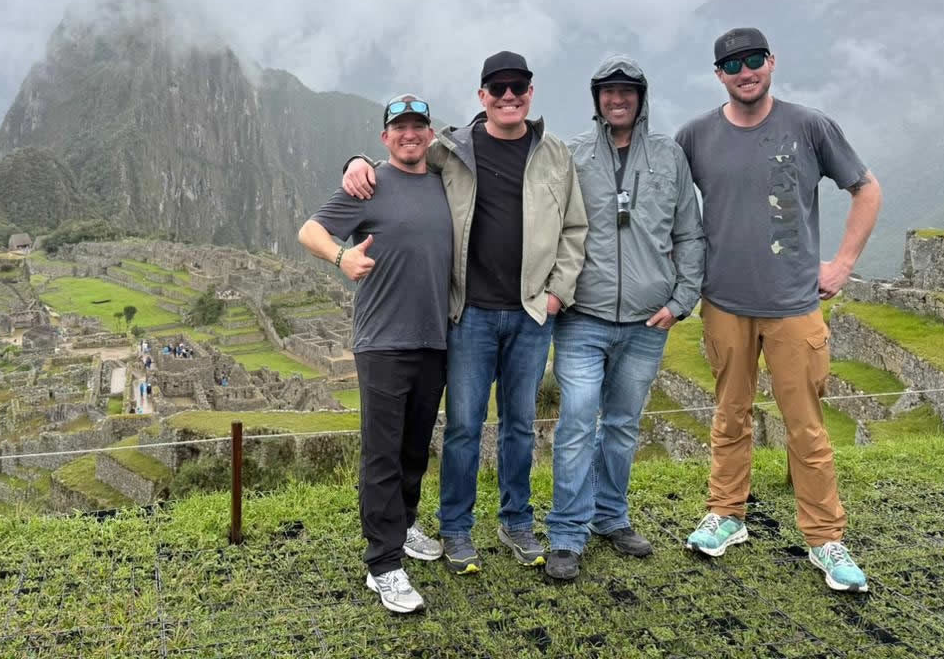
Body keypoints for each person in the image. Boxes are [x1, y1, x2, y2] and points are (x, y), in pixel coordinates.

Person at [344, 52, 587, 574]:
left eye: (516, 87)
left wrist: (556, 294)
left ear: (530, 91)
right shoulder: (451, 151)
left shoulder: (555, 155)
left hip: (529, 313)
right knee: (463, 426)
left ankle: (516, 521)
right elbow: (400, 160)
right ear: (482, 97)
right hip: (470, 313)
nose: (507, 96)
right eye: (497, 88)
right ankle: (456, 527)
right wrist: (355, 161)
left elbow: (574, 228)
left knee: (520, 424)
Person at [676, 27, 881, 593]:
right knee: (729, 415)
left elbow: (865, 188)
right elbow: (665, 203)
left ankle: (826, 539)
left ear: (771, 62)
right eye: (732, 64)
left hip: (794, 305)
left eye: (754, 61)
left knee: (806, 428)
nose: (746, 72)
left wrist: (841, 263)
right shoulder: (694, 135)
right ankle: (726, 515)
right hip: (724, 304)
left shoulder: (809, 126)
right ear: (719, 73)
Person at [543, 56, 704, 579]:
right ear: (596, 99)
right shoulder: (573, 155)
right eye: (608, 92)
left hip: (645, 322)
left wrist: (680, 301)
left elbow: (688, 234)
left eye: (627, 93)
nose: (617, 100)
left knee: (622, 425)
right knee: (576, 420)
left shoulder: (669, 157)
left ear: (641, 99)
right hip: (582, 317)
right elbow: (548, 222)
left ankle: (611, 515)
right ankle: (567, 531)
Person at [301, 94, 453, 614]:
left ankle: (405, 524)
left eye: (418, 126)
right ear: (385, 137)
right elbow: (310, 230)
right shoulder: (367, 184)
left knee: (414, 447)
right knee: (382, 452)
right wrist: (341, 255)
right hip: (383, 341)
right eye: (399, 128)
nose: (409, 135)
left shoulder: (444, 184)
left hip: (434, 339)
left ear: (429, 134)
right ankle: (383, 565)